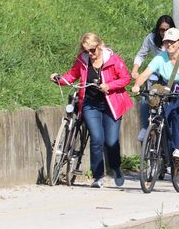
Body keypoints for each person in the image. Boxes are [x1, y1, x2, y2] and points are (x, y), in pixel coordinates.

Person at [51, 33, 133, 188]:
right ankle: (98, 176)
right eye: (85, 50)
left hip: (111, 105)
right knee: (96, 139)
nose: (89, 54)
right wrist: (58, 79)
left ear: (99, 46)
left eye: (92, 50)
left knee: (111, 142)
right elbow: (72, 75)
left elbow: (126, 78)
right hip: (90, 104)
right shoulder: (82, 60)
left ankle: (115, 168)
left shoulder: (113, 60)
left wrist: (109, 85)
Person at [131, 28, 179, 165]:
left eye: (172, 41)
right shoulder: (160, 58)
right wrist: (137, 85)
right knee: (162, 117)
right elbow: (145, 74)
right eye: (167, 41)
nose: (169, 44)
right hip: (170, 93)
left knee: (175, 112)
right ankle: (164, 154)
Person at [132, 15, 178, 143]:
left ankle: (172, 137)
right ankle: (146, 127)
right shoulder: (151, 38)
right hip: (155, 73)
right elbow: (141, 54)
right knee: (145, 97)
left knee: (170, 105)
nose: (164, 33)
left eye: (167, 30)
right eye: (161, 30)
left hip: (172, 75)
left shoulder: (176, 40)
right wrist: (135, 69)